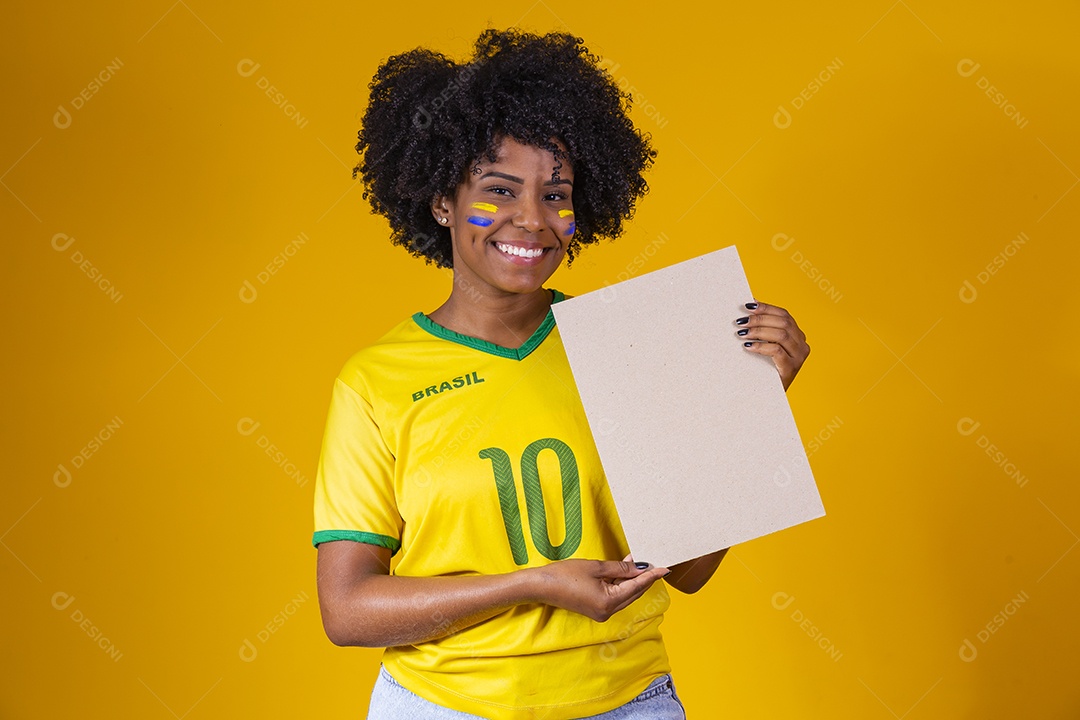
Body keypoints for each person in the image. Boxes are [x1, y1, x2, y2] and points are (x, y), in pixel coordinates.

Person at [312, 28, 810, 720]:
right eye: (499, 190)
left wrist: (752, 401)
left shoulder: (629, 348)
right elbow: (346, 609)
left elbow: (690, 571)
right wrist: (532, 585)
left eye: (556, 193)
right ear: (442, 200)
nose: (531, 219)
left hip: (627, 701)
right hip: (443, 706)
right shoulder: (375, 381)